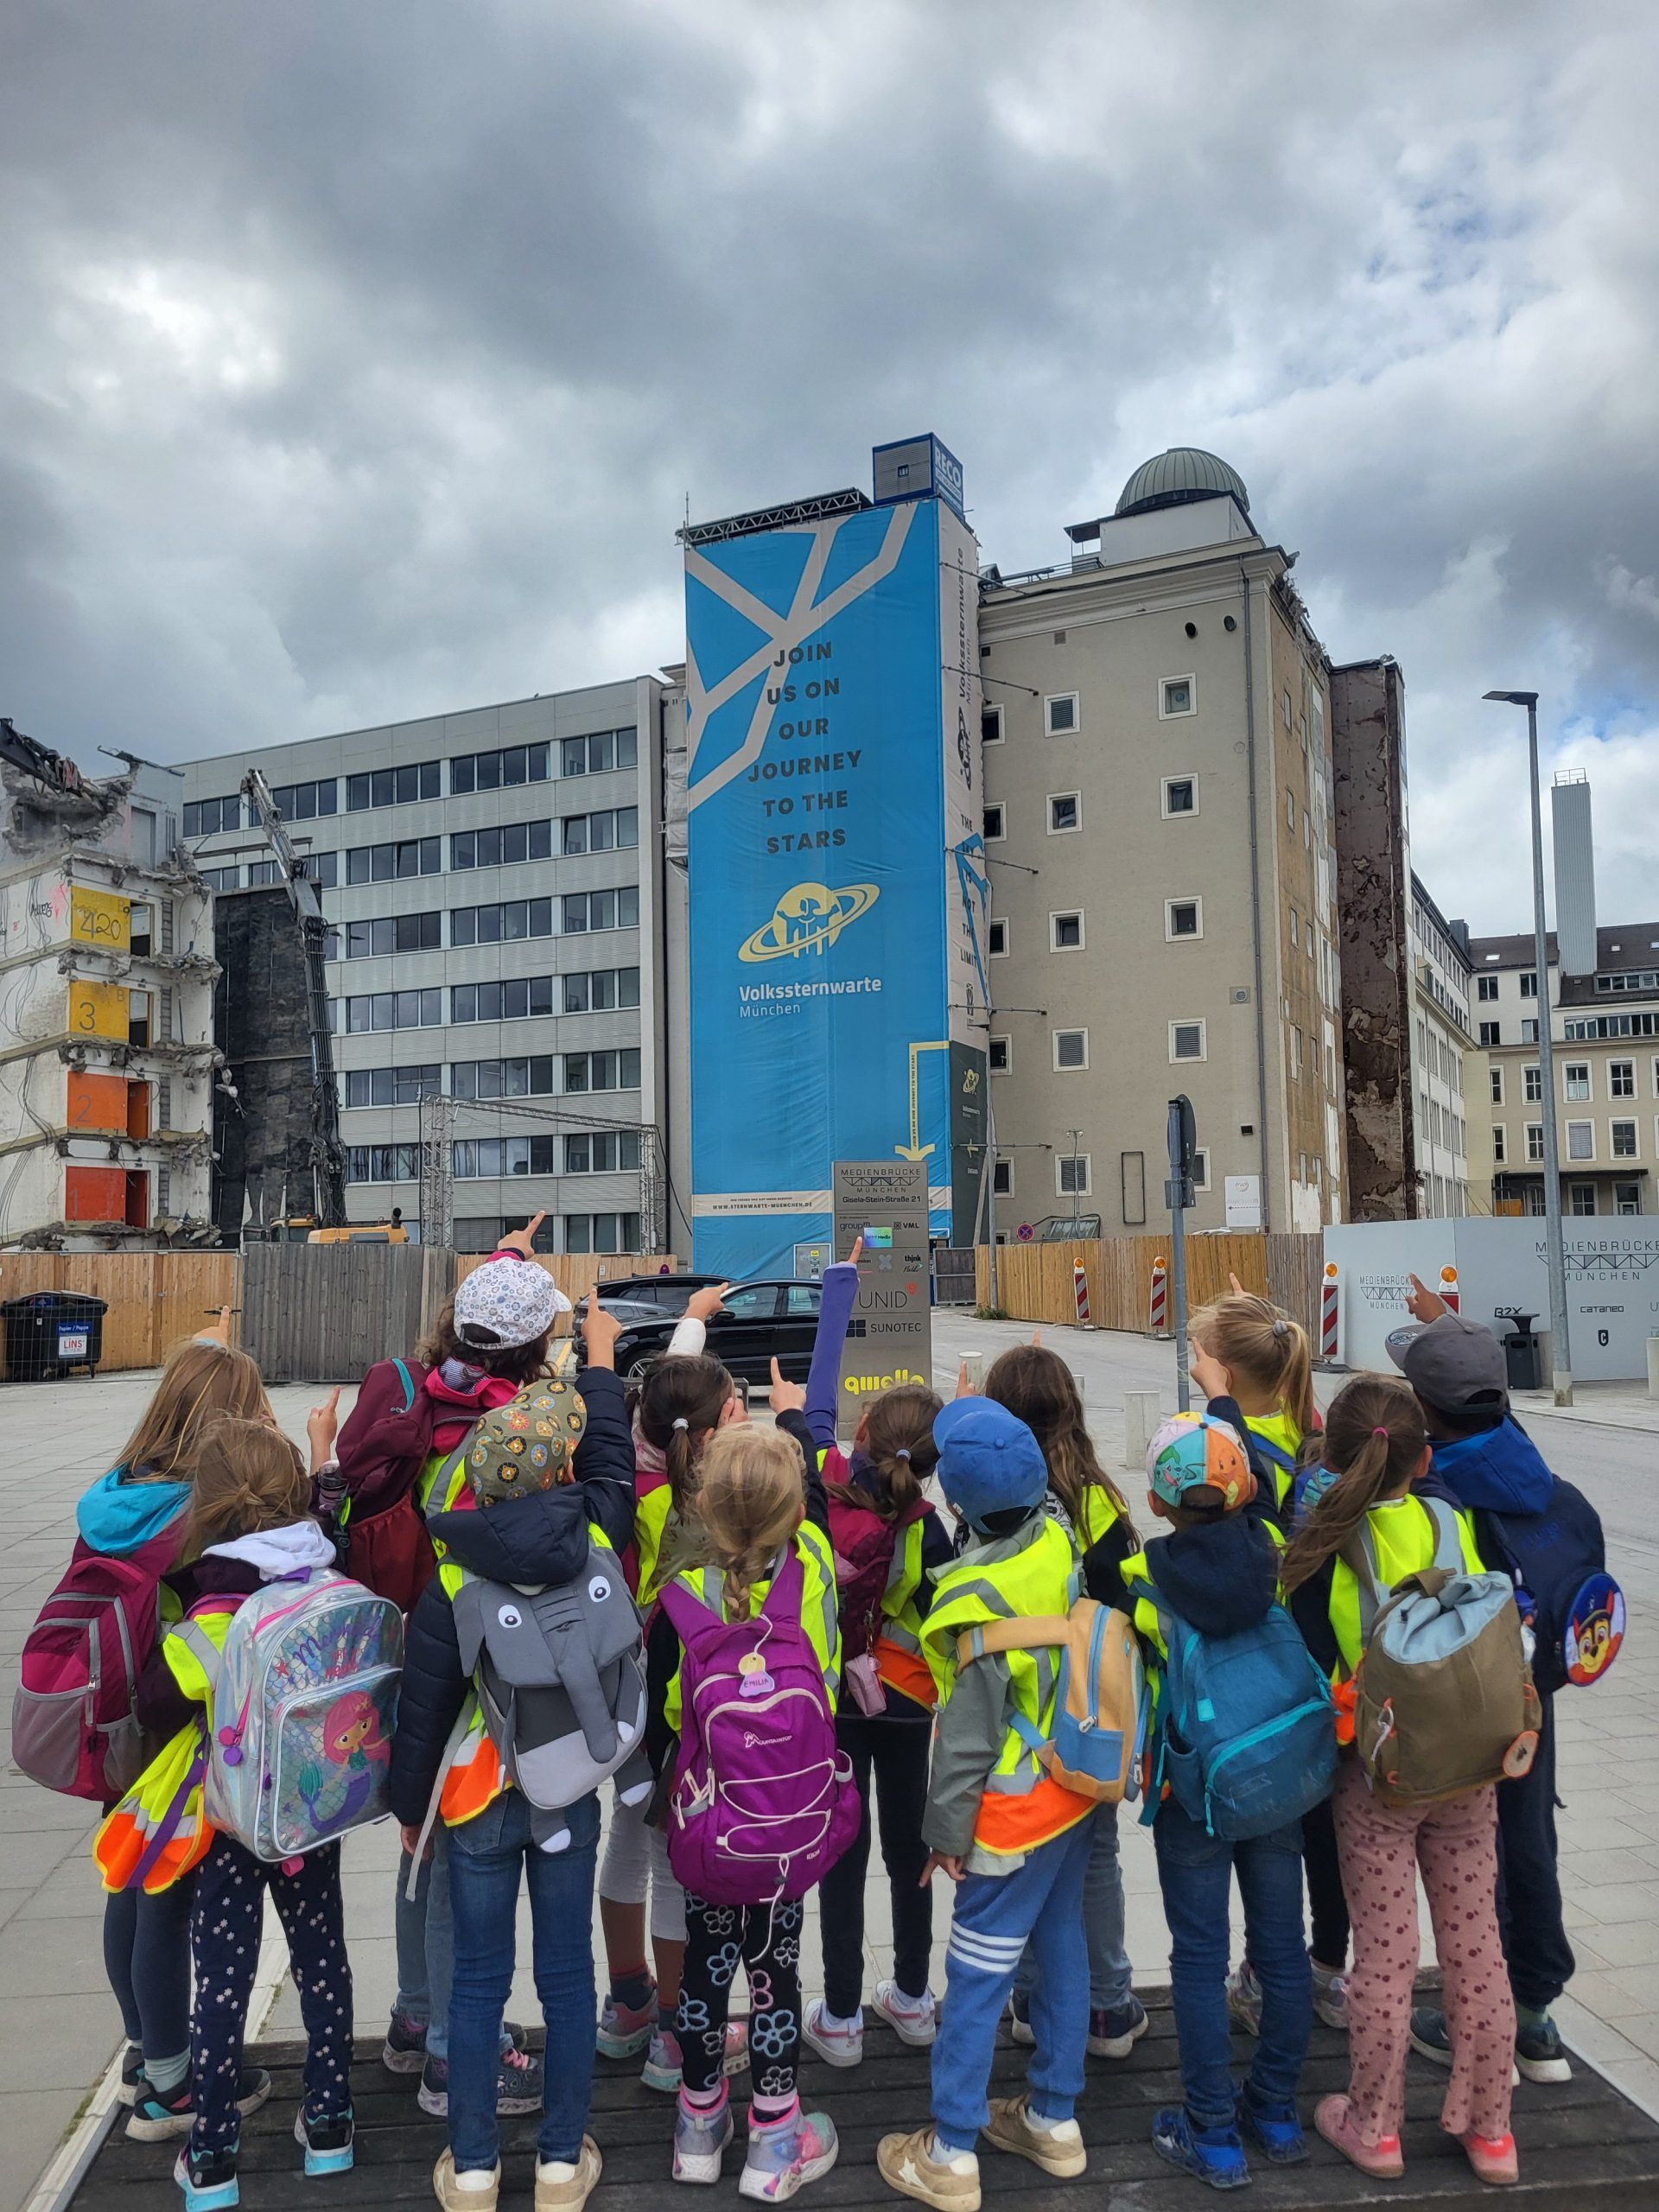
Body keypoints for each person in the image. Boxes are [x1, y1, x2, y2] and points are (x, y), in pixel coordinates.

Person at [338, 1219, 589, 2122]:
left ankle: (414, 2020)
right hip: (481, 1653)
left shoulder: (419, 1390)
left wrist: (509, 1254)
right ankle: (454, 2056)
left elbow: (498, 1308)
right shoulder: (516, 1428)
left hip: (404, 1638)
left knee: (419, 1843)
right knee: (451, 1859)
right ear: (534, 1345)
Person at [388, 1316, 636, 2212]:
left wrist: (408, 1808)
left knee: (480, 1980)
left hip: (475, 1803)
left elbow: (420, 1715)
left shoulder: (452, 1577)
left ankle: (479, 2168)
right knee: (570, 1975)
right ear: (559, 1475)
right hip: (568, 1788)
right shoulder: (597, 1552)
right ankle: (563, 2164)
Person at [105, 1413, 353, 2209]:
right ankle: (330, 2123)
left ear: (207, 1509)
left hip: (231, 1821)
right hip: (312, 1814)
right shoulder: (326, 1577)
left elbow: (155, 1704)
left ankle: (212, 2154)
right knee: (323, 1958)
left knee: (224, 1978)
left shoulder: (208, 1612)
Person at [1280, 1373, 1518, 2189]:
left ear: (1334, 1457)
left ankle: (1375, 2126)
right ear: (1422, 1462)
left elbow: (1311, 1664)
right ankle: (1492, 2130)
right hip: (1470, 1762)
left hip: (1377, 1774)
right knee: (1475, 1937)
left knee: (1384, 1955)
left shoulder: (1324, 1542)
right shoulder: (1451, 1520)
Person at [878, 1399, 1096, 2212]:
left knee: (973, 1976)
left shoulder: (975, 1598)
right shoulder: (1058, 1540)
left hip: (1007, 1818)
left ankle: (953, 2150)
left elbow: (967, 1743)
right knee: (1062, 1947)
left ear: (959, 1507)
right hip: (1072, 1799)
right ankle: (1053, 2118)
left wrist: (943, 1837)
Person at [1087, 1411, 1312, 2190]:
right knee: (1283, 1947)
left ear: (1156, 1501)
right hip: (1279, 1773)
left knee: (1200, 1954)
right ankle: (1277, 2111)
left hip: (1195, 1789)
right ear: (1246, 1488)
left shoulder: (1147, 1581)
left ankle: (1213, 2133)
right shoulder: (1277, 1554)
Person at [76, 1325, 272, 2142]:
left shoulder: (115, 1494)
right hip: (176, 1722)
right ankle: (172, 2082)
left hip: (111, 1714)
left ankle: (141, 2047)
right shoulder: (196, 1514)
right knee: (167, 1890)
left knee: (127, 1877)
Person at [1388, 1286, 1576, 2087]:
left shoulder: (1443, 1495)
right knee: (1531, 1843)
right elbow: (1493, 1413)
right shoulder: (1531, 1471)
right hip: (1535, 1695)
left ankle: (1477, 2025)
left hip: (1464, 1699)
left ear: (1424, 1416)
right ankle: (1535, 2017)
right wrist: (1451, 1329)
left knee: (1475, 1864)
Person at [655, 1421, 842, 2199]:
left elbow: (672, 1709)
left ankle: (699, 2122)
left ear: (701, 1505)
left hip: (710, 1826)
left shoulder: (681, 1592)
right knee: (776, 1974)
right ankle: (774, 2132)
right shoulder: (815, 1567)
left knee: (705, 1967)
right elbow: (824, 1675)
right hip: (789, 1829)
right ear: (795, 1509)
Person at [777, 1253, 950, 2068]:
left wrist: (840, 1284)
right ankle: (913, 2000)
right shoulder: (933, 1524)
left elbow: (819, 1387)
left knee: (840, 1852)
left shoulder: (821, 1480)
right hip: (910, 1704)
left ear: (860, 1434)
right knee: (908, 1851)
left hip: (832, 1703)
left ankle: (840, 2015)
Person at [596, 1290, 749, 2091]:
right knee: (674, 1860)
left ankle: (625, 2002)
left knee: (628, 1837)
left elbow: (675, 1392)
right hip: (683, 1698)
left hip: (623, 1690)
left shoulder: (630, 1478)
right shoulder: (722, 1506)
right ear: (723, 1423)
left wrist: (691, 1317)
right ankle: (672, 2026)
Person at [1186, 1290, 1349, 2038]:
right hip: (1325, 1662)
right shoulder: (1314, 1431)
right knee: (1324, 1835)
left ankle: (1264, 1977)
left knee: (1270, 1830)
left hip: (1264, 1673)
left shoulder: (1230, 1446)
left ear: (1216, 1369)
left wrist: (1217, 1407)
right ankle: (1325, 1971)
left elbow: (1229, 1505)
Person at [982, 1341, 1145, 2063]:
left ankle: (1028, 1998)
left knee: (1021, 1858)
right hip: (1092, 1712)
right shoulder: (1101, 1502)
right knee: (1099, 1857)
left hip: (1017, 1718)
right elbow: (1124, 1607)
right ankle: (1106, 2007)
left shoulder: (991, 1501)